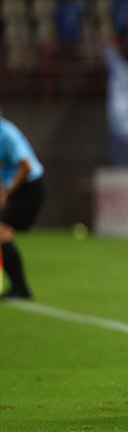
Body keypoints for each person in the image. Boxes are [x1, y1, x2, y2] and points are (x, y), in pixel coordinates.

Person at [0, 116, 45, 299]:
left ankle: (21, 289)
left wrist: (10, 193)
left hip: (30, 187)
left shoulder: (7, 133)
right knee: (3, 234)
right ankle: (19, 288)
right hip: (17, 189)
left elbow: (26, 167)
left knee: (3, 233)